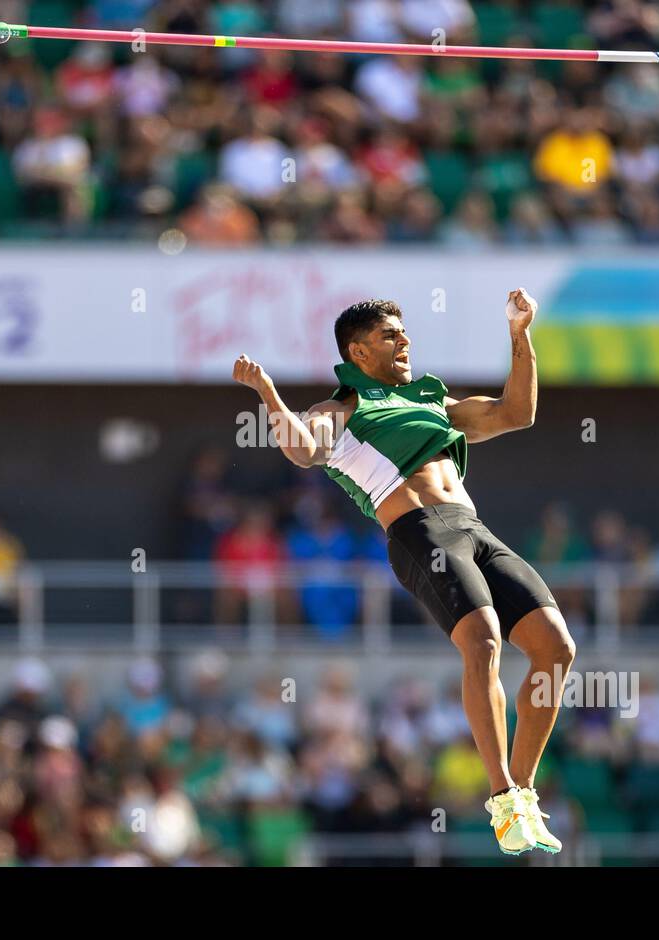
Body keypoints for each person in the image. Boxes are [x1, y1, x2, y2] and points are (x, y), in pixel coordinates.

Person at [231, 291, 576, 855]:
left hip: (474, 529)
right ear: (358, 352)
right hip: (420, 533)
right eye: (391, 335)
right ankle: (502, 797)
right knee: (483, 641)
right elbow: (302, 451)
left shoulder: (431, 399)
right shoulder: (341, 409)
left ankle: (525, 792)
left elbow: (518, 413)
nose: (405, 340)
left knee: (556, 648)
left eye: (405, 332)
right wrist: (268, 393)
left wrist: (520, 333)